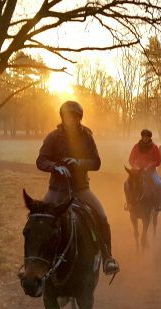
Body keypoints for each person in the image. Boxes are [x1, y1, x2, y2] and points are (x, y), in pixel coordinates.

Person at [36, 100, 120, 275]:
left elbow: (96, 162)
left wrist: (79, 163)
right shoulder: (52, 137)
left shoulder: (87, 137)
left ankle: (107, 258)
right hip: (56, 190)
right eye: (67, 117)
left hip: (81, 189)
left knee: (102, 216)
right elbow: (41, 160)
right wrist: (54, 167)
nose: (70, 120)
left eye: (74, 117)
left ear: (79, 118)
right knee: (38, 219)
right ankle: (34, 264)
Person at [126, 129, 161, 211]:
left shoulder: (154, 147)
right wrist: (135, 165)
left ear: (150, 137)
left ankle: (158, 204)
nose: (145, 138)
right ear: (142, 137)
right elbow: (131, 159)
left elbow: (158, 161)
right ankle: (128, 203)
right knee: (126, 184)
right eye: (144, 136)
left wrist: (150, 165)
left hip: (151, 171)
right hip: (137, 172)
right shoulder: (136, 146)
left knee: (159, 183)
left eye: (147, 137)